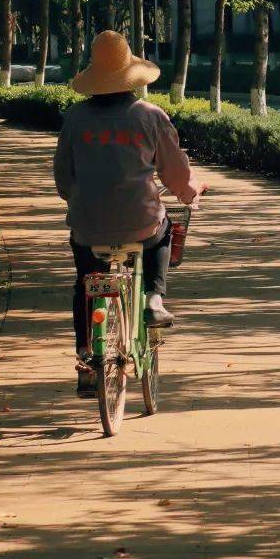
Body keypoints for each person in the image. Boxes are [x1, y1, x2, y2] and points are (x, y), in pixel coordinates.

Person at [54, 29, 204, 397]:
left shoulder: (75, 118)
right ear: (132, 77)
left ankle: (87, 356)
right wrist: (189, 193)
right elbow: (175, 172)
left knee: (86, 283)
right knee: (163, 228)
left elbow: (62, 177)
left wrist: (80, 199)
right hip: (141, 221)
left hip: (88, 226)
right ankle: (154, 298)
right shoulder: (150, 116)